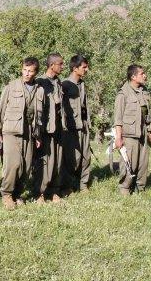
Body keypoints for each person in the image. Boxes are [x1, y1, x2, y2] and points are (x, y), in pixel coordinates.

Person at [0, 57, 43, 210]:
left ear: (35, 73)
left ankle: (17, 194)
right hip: (11, 131)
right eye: (25, 70)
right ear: (22, 69)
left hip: (29, 133)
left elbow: (39, 116)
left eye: (30, 71)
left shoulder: (39, 90)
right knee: (13, 165)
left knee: (26, 167)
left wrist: (38, 135)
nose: (27, 74)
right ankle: (7, 194)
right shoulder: (11, 86)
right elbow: (0, 110)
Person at [113, 64, 151, 195]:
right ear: (133, 76)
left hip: (142, 132)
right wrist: (118, 138)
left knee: (143, 163)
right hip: (129, 134)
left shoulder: (144, 91)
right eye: (142, 74)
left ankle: (140, 187)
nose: (145, 76)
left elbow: (147, 114)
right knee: (129, 163)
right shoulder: (123, 94)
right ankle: (125, 188)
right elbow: (118, 119)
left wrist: (150, 131)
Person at [32, 53, 65, 203]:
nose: (63, 67)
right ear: (52, 65)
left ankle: (54, 191)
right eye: (60, 64)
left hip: (58, 128)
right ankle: (40, 193)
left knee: (57, 161)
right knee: (43, 162)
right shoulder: (39, 82)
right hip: (45, 129)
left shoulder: (58, 82)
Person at [61, 54, 92, 192]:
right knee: (72, 158)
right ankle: (67, 185)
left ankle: (83, 184)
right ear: (75, 68)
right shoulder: (65, 85)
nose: (87, 70)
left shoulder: (82, 84)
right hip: (71, 128)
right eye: (84, 67)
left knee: (86, 156)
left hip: (83, 125)